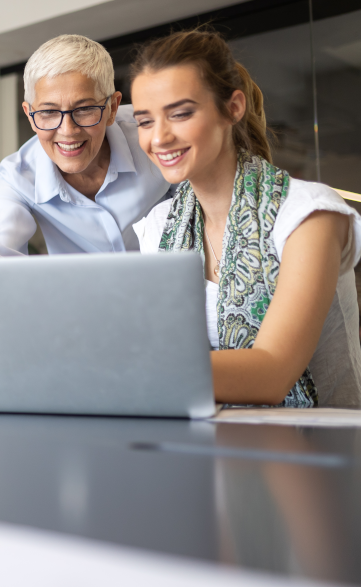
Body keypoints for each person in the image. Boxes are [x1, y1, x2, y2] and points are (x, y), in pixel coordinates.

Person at [130, 29, 361, 407]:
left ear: (233, 108)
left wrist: (127, 369)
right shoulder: (158, 227)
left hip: (323, 450)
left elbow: (272, 372)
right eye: (145, 121)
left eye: (181, 113)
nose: (160, 138)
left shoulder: (309, 214)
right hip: (209, 445)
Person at [0, 34, 170, 257]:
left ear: (112, 108)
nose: (67, 130)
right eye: (48, 112)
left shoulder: (152, 132)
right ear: (29, 115)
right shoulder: (18, 176)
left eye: (84, 109)